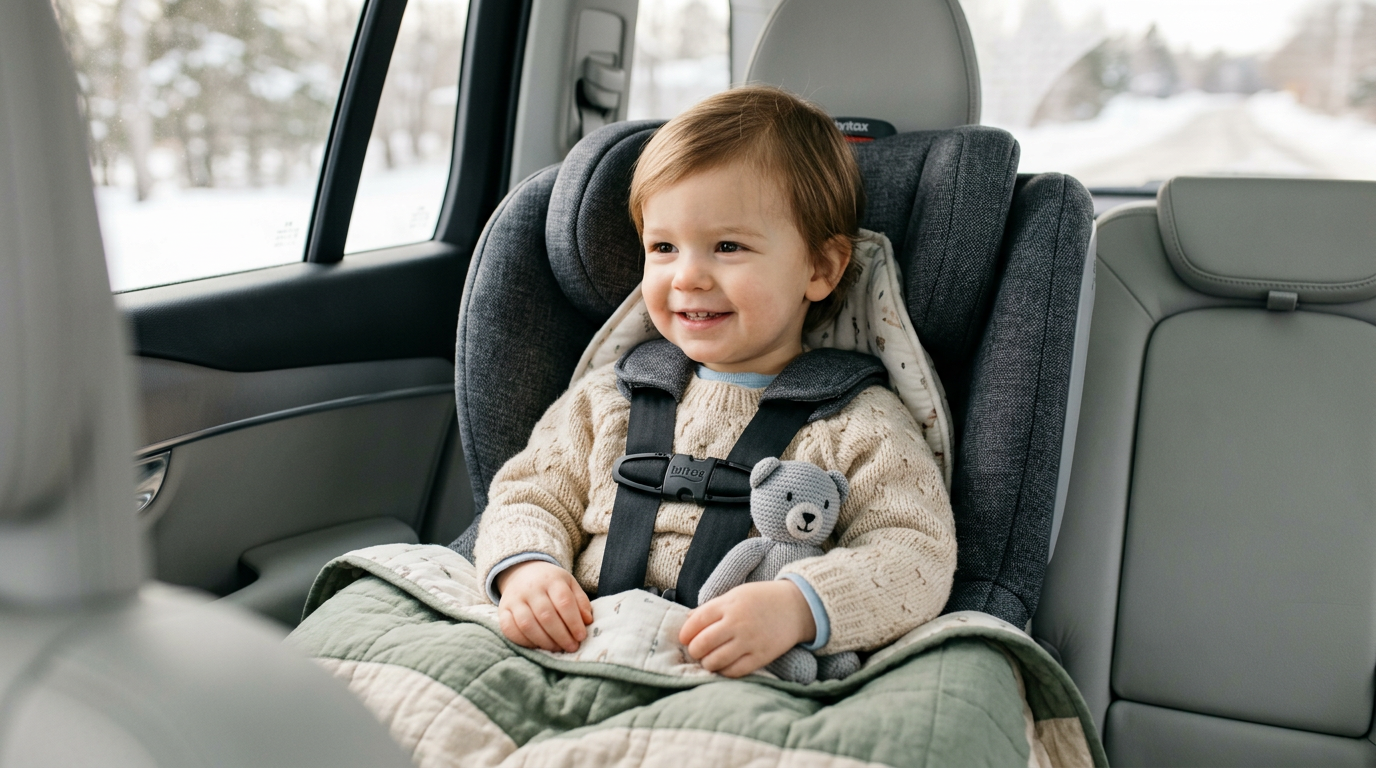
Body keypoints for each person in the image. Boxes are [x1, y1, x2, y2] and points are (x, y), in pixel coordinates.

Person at [473, 85, 955, 679]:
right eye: (663, 247)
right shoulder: (608, 398)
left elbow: (916, 553)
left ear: (821, 268)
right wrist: (529, 570)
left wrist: (799, 607)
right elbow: (527, 494)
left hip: (738, 676)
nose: (688, 276)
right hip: (584, 646)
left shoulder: (858, 421)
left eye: (728, 246)